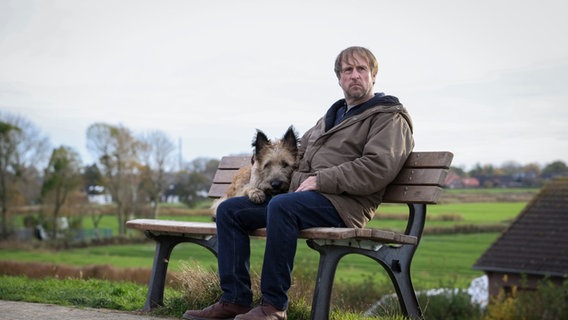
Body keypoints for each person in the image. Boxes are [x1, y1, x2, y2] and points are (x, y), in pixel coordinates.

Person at [183, 46, 414, 320]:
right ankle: (235, 300)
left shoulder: (388, 118)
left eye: (361, 69)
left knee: (282, 206)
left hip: (342, 205)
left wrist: (322, 180)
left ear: (373, 75)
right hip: (303, 199)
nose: (354, 75)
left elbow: (378, 167)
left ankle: (273, 307)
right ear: (339, 78)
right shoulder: (330, 117)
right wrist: (264, 164)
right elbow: (297, 154)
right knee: (229, 211)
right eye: (347, 70)